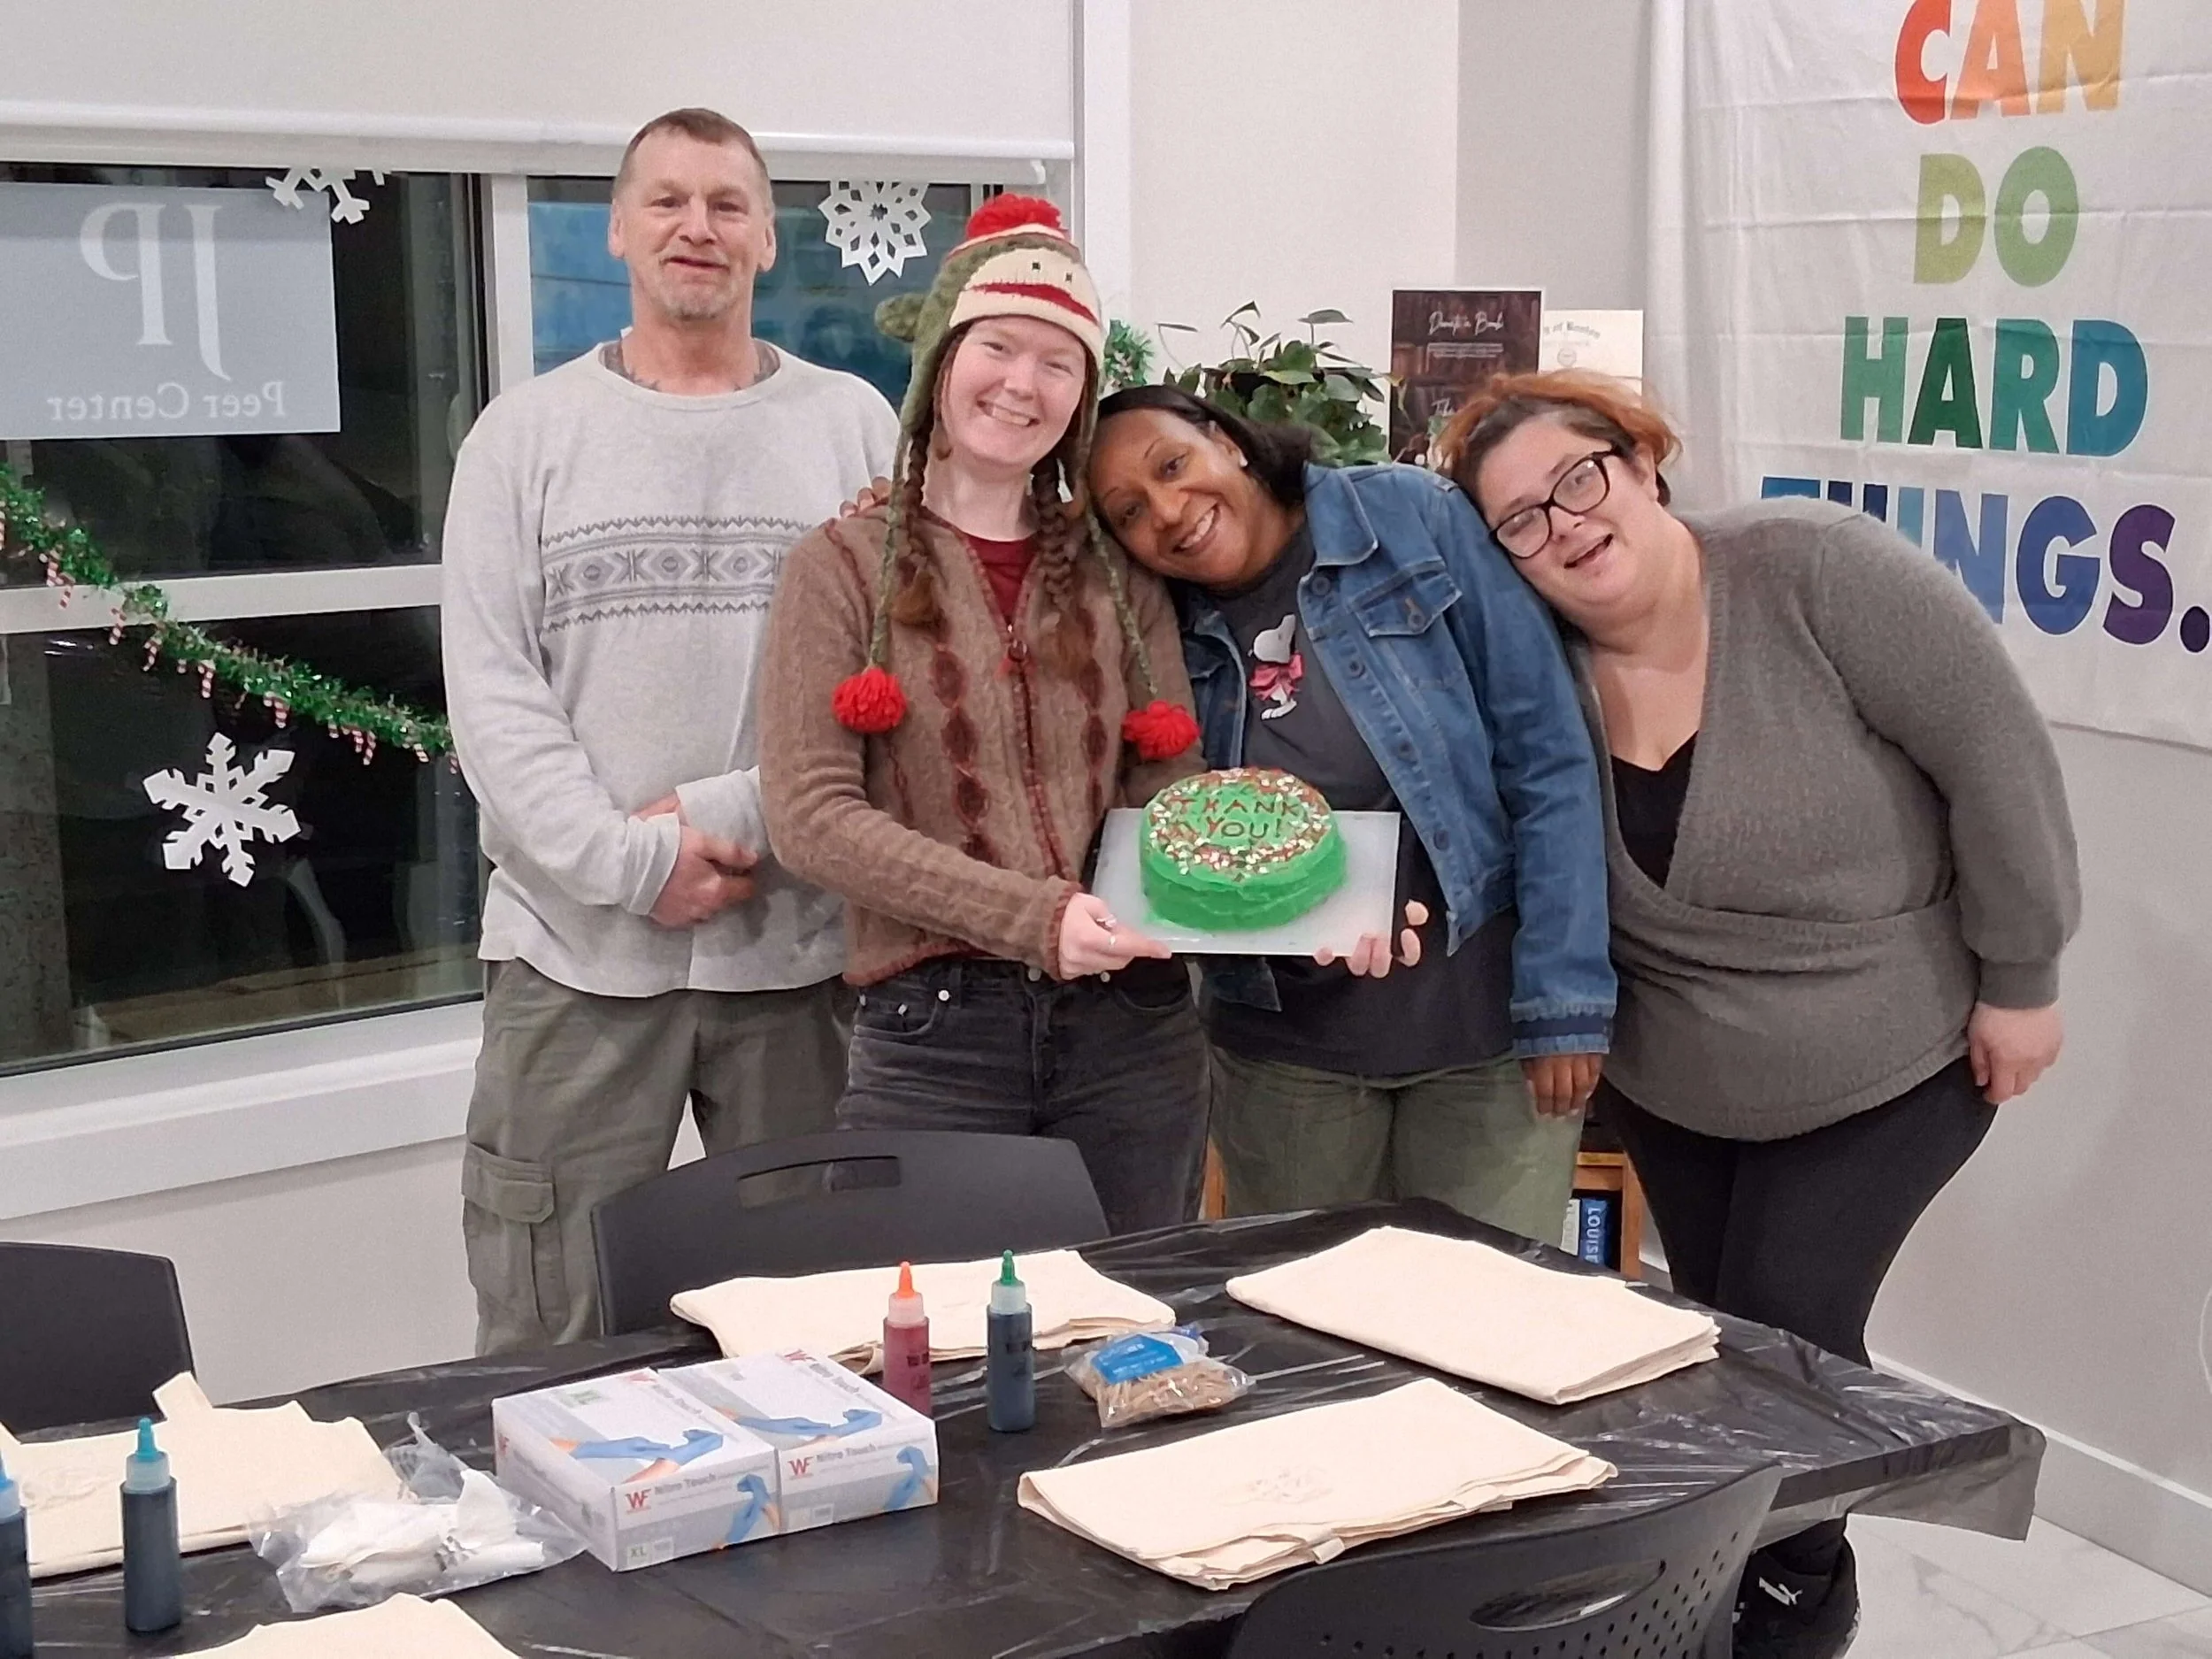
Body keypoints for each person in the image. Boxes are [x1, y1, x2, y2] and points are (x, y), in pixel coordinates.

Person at [1440, 369, 2080, 1658]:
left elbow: (1997, 760)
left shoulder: (1818, 573)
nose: (1563, 522)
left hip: (1890, 1053)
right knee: (1716, 1344)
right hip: (1676, 1078)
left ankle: (1789, 1595)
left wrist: (2023, 978)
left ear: (1643, 460)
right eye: (1519, 518)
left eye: (1581, 477)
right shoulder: (1536, 673)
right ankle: (1729, 1582)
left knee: (1790, 1336)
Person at [442, 108, 898, 1352]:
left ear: (766, 241)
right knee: (553, 1329)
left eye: (728, 203)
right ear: (617, 231)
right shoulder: (521, 438)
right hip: (574, 960)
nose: (697, 226)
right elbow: (492, 696)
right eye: (666, 200)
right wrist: (634, 864)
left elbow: (886, 679)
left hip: (797, 958)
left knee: (821, 1325)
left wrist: (723, 817)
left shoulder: (855, 426)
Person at [757, 196, 1212, 1234]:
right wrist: (1033, 917)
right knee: (932, 1355)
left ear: (1084, 396)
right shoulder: (835, 571)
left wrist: (1285, 908)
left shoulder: (1114, 568)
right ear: (939, 365)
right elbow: (812, 816)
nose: (1022, 384)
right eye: (997, 346)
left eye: (1059, 362)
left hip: (1131, 1033)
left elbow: (1163, 785)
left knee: (1136, 1334)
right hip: (934, 1037)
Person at [1087, 385, 1616, 1243]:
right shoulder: (1151, 623)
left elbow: (1547, 753)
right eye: (1129, 512)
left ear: (1226, 439)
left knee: (1485, 1332)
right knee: (1308, 1344)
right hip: (1287, 1058)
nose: (1170, 512)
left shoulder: (1407, 519)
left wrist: (1564, 998)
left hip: (1482, 1033)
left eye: (1174, 465)